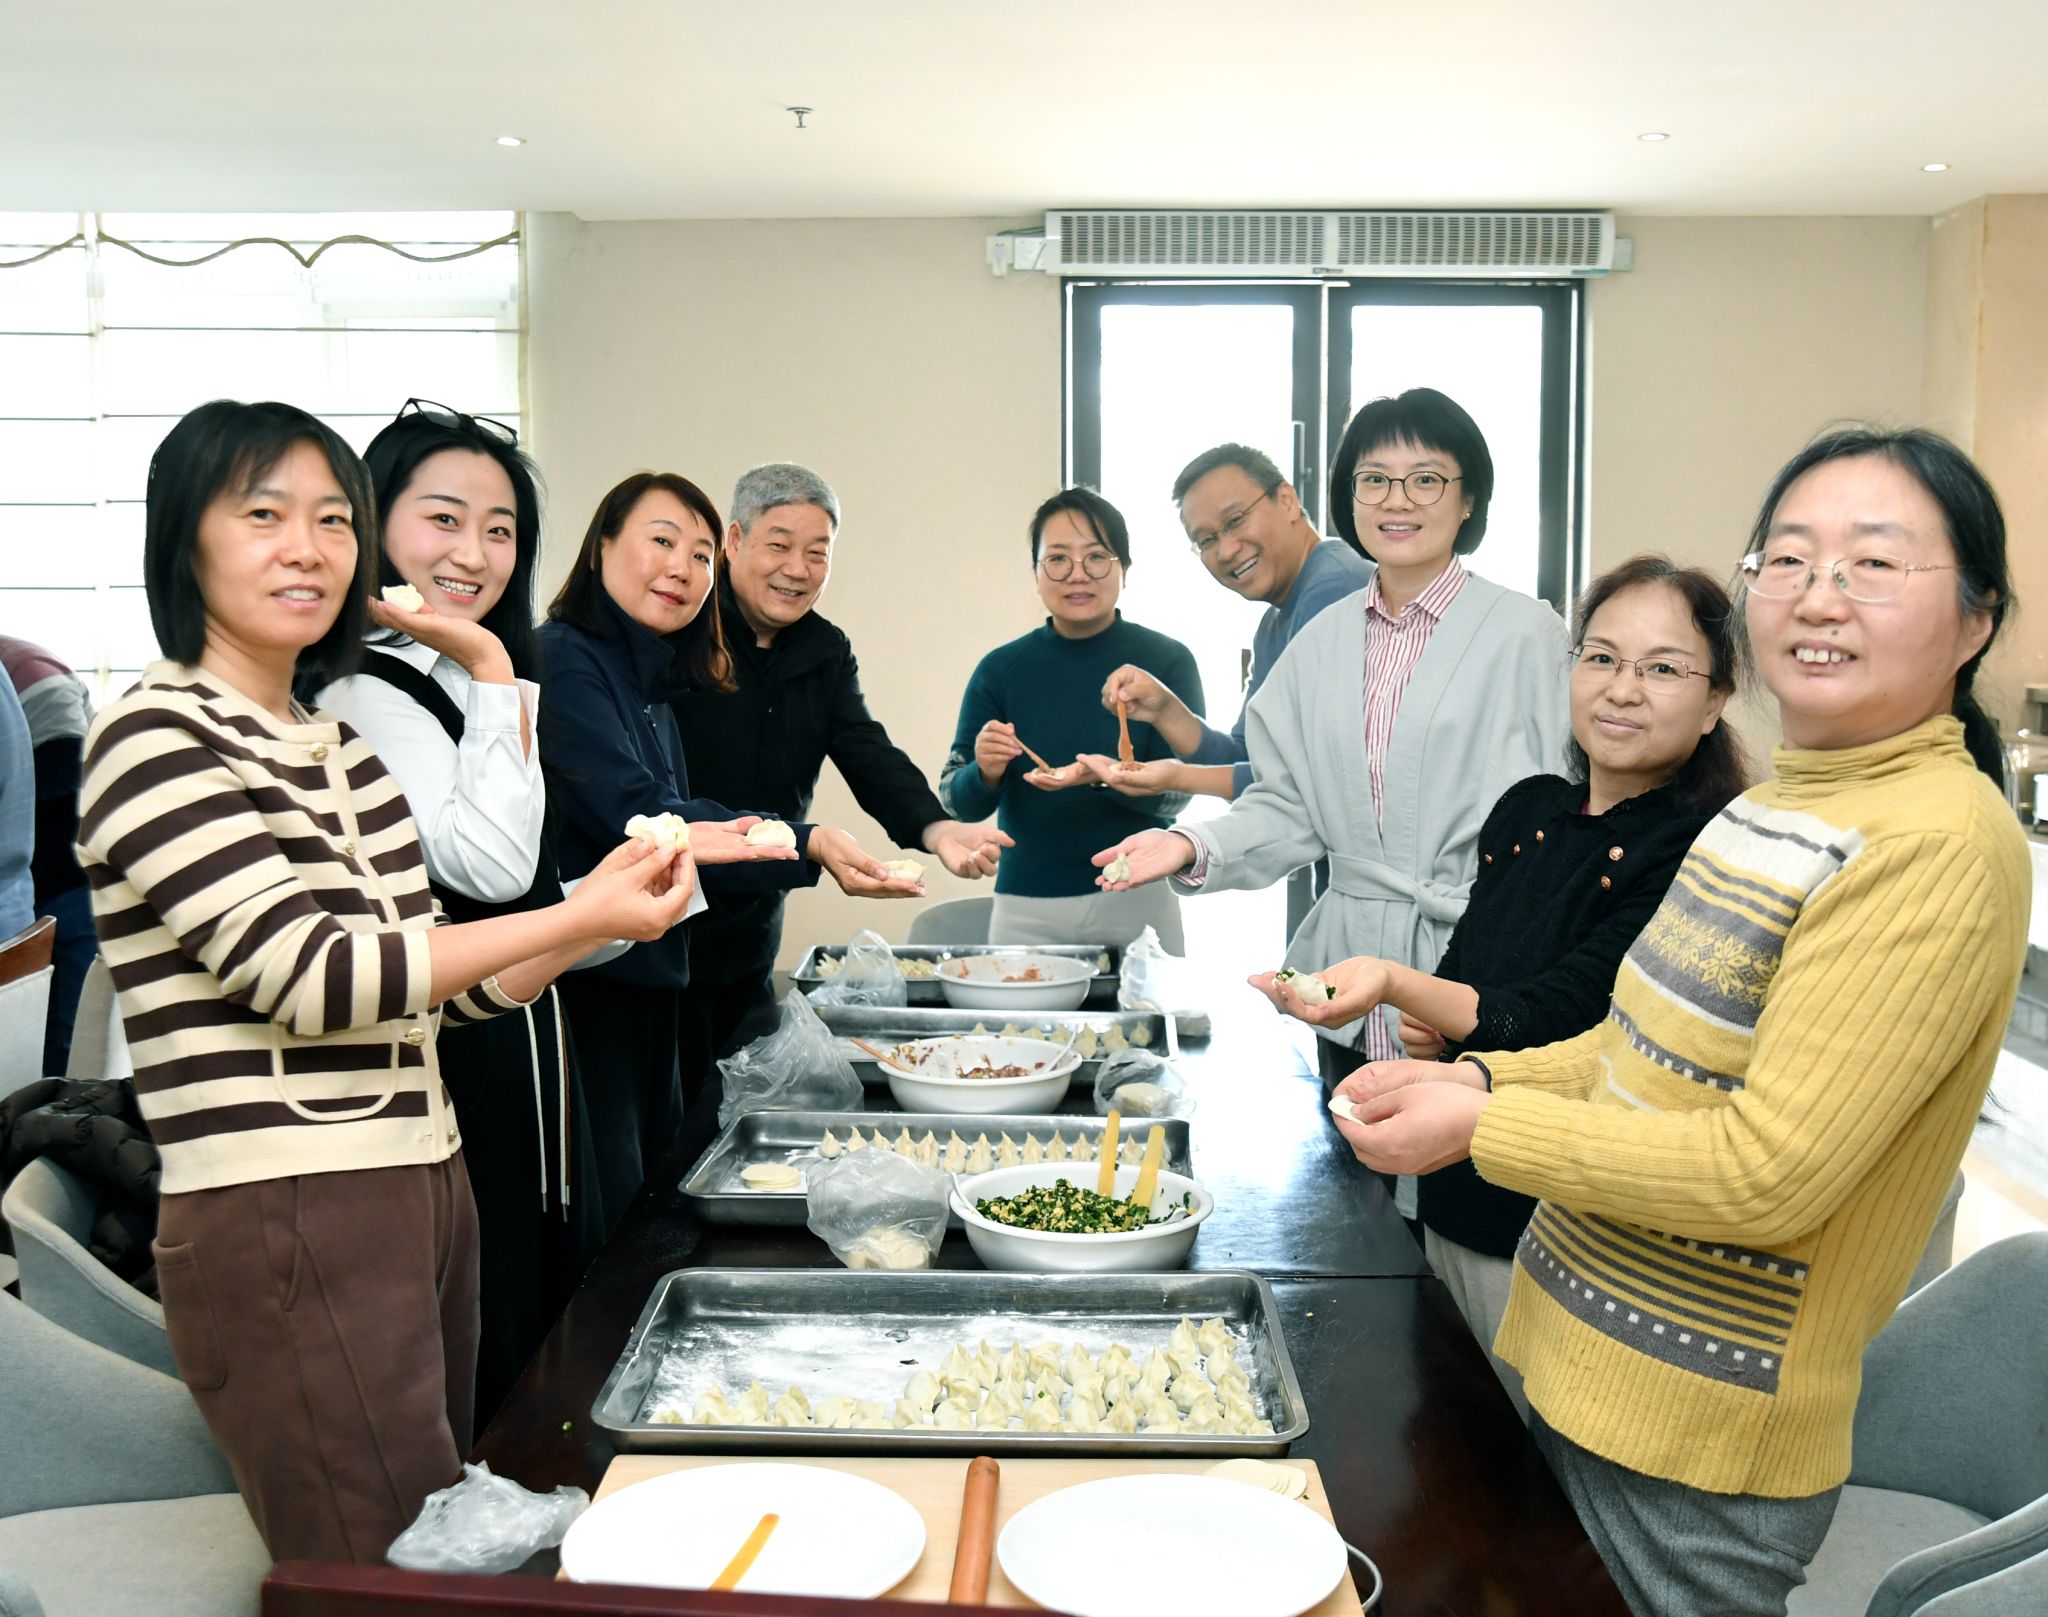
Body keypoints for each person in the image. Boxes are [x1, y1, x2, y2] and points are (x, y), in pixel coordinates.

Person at [1326, 427, 2029, 1617]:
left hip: (1689, 1446)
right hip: (1579, 1372)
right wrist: (1483, 1084)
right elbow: (1628, 1045)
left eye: (1871, 563)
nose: (1817, 597)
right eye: (1787, 559)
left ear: (1973, 619)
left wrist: (1483, 1128)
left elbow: (1767, 1173)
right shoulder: (1774, 808)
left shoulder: (1936, 843)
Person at [77, 399, 698, 1562]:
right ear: (184, 539)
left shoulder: (335, 751)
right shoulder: (155, 737)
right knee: (368, 1559)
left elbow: (430, 995)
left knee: (430, 1534)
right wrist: (571, 913)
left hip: (420, 1178)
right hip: (287, 1202)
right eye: (263, 515)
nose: (307, 548)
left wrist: (583, 926)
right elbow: (313, 978)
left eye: (331, 520)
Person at [1256, 555, 1748, 1410]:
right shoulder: (1530, 807)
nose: (1622, 689)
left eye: (1663, 669)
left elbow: (1564, 1012)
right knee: (1434, 1423)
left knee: (1519, 1458)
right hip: (1452, 1181)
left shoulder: (1701, 845)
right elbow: (1469, 969)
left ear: (1715, 702)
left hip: (1560, 1216)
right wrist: (1428, 1022)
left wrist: (1398, 984)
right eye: (1602, 657)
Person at [1095, 388, 1570, 1130]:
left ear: (1469, 496)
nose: (1397, 500)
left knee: (1456, 1182)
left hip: (1470, 975)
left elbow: (1558, 823)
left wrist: (1505, 972)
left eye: (1425, 479)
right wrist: (1191, 842)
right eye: (1374, 479)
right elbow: (1289, 802)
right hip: (1344, 983)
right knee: (1353, 1181)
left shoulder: (1527, 634)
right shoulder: (1320, 643)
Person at [316, 400, 601, 1430]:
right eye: (443, 519)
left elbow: (528, 887)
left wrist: (627, 893)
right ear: (370, 522)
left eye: (500, 529)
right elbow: (491, 869)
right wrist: (489, 669)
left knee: (533, 1309)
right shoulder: (366, 688)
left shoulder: (441, 670)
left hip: (509, 1026)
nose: (474, 554)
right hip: (447, 1046)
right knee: (487, 1335)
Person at [538, 471, 914, 1217]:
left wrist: (843, 840)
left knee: (664, 1184)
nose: (682, 568)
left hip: (658, 965)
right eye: (662, 541)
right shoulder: (564, 655)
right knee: (618, 1209)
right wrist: (804, 842)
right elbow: (642, 814)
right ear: (601, 545)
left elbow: (864, 751)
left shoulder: (655, 675)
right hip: (590, 977)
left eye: (698, 554)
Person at [670, 462, 1009, 1109]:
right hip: (661, 919)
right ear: (734, 541)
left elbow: (865, 748)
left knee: (728, 1105)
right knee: (660, 1121)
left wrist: (938, 827)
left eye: (817, 552)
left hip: (753, 924)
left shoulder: (824, 649)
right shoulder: (679, 631)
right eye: (779, 545)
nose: (797, 569)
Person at [939, 487, 1203, 950]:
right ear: (1036, 574)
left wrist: (1106, 776)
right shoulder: (1000, 670)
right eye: (1058, 559)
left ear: (1124, 569)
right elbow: (955, 801)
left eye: (1097, 557)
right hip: (1027, 905)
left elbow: (1180, 794)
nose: (1077, 574)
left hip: (1138, 891)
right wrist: (986, 771)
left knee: (1152, 1003)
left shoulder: (1167, 661)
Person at [1089, 442, 1372, 804]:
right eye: (1206, 540)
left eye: (1235, 521)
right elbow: (1244, 757)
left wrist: (1176, 777)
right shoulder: (1274, 623)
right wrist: (1164, 709)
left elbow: (1311, 779)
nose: (1225, 551)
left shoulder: (1335, 590)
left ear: (1287, 500)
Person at [0, 635, 95, 1073]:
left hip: (65, 887)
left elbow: (63, 803)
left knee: (63, 1047)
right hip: (39, 895)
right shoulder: (21, 668)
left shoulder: (35, 677)